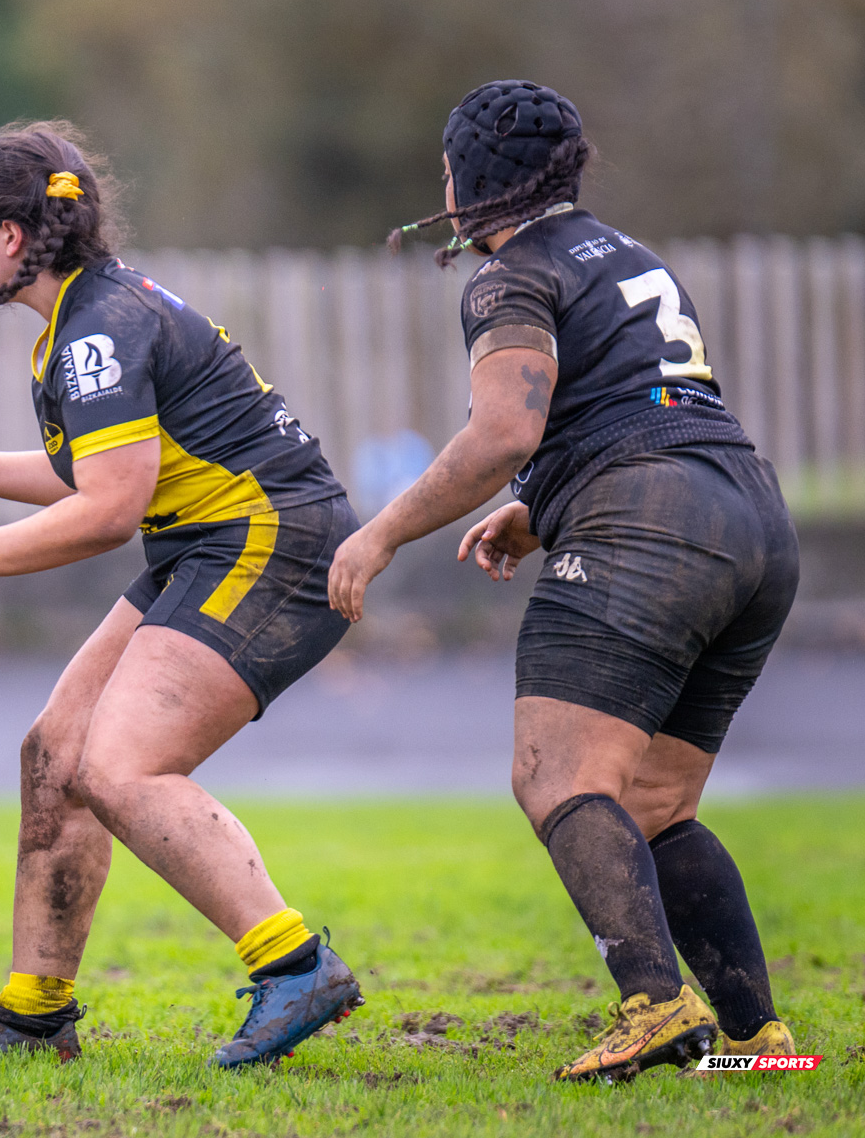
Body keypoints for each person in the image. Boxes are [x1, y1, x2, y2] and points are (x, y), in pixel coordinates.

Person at [0, 121, 366, 1068]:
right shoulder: (82, 318)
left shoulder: (97, 329)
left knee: (119, 767)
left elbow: (106, 513)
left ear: (12, 234)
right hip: (206, 543)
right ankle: (37, 1013)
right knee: (57, 753)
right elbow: (101, 475)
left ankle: (293, 965)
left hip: (271, 542)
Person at [329, 81, 800, 1082]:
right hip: (752, 516)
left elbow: (506, 430)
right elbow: (641, 400)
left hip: (651, 523)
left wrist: (380, 535)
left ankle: (655, 1004)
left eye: (447, 172)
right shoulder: (627, 253)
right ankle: (757, 1037)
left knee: (557, 774)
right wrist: (542, 512)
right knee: (660, 805)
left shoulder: (508, 275)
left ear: (469, 182)